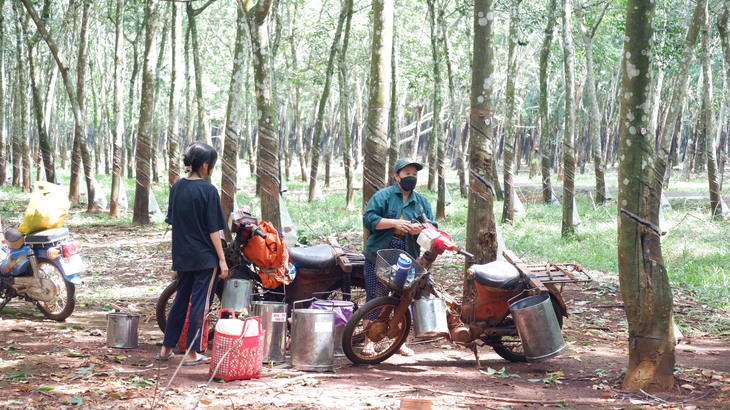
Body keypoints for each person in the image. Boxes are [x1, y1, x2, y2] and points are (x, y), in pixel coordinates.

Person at [157, 142, 229, 366]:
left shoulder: (177, 187)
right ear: (206, 166)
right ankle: (192, 352)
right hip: (205, 257)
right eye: (213, 165)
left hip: (182, 255)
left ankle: (166, 349)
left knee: (180, 300)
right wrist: (222, 260)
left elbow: (174, 221)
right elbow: (213, 230)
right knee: (200, 303)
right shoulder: (208, 190)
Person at [362, 157, 436, 356]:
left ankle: (397, 341)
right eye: (406, 174)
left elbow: (432, 226)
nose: (410, 178)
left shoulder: (421, 202)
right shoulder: (383, 196)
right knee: (376, 296)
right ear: (396, 176)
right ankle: (369, 340)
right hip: (380, 252)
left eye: (414, 174)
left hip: (408, 254)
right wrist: (395, 223)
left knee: (403, 297)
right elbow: (369, 220)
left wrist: (420, 229)